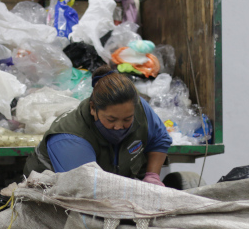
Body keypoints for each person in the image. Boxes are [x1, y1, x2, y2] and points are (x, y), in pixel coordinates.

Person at [24, 65, 172, 186]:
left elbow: (159, 139)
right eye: (111, 119)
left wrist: (152, 176)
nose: (119, 126)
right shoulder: (71, 137)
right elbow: (88, 190)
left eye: (127, 119)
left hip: (109, 188)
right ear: (93, 108)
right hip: (56, 196)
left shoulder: (139, 107)